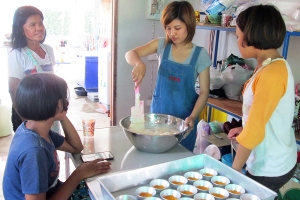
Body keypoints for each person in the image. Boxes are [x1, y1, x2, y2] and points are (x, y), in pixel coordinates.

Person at [3, 73, 111, 200]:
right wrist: (78, 174)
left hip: (53, 191)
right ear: (57, 104)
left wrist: (62, 115)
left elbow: (76, 147)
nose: (67, 101)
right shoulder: (34, 151)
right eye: (64, 98)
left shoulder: (34, 128)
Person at [227, 4, 297, 194]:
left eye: (238, 36)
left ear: (251, 36)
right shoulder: (270, 65)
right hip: (272, 158)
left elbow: (255, 132)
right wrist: (244, 127)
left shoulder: (272, 74)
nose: (238, 41)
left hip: (270, 167)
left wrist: (232, 173)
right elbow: (265, 114)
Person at [125, 1, 212, 152]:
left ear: (189, 26)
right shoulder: (162, 44)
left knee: (179, 164)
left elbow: (204, 91)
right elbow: (130, 54)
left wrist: (192, 116)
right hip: (158, 120)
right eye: (168, 28)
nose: (172, 33)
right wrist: (139, 64)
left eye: (177, 28)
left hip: (184, 124)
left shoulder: (200, 55)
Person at [8, 6, 58, 132]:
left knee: (50, 148)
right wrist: (26, 122)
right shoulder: (18, 54)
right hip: (28, 114)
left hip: (49, 111)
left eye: (40, 23)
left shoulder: (48, 50)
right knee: (34, 149)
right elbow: (14, 91)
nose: (39, 28)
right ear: (21, 29)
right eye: (32, 25)